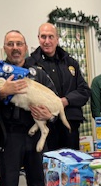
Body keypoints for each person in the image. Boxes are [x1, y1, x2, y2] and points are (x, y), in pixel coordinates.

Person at [0, 30, 58, 186]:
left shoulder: (38, 73)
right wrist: (2, 92)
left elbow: (54, 101)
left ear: (26, 47)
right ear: (4, 48)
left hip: (35, 135)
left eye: (19, 44)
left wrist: (50, 115)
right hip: (10, 135)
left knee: (38, 184)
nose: (15, 48)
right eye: (10, 44)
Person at [27, 22, 91, 150]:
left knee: (72, 166)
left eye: (51, 37)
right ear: (38, 38)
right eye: (43, 37)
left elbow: (84, 91)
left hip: (69, 124)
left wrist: (65, 101)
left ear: (57, 39)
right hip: (44, 125)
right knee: (47, 166)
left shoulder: (70, 62)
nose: (47, 41)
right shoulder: (30, 64)